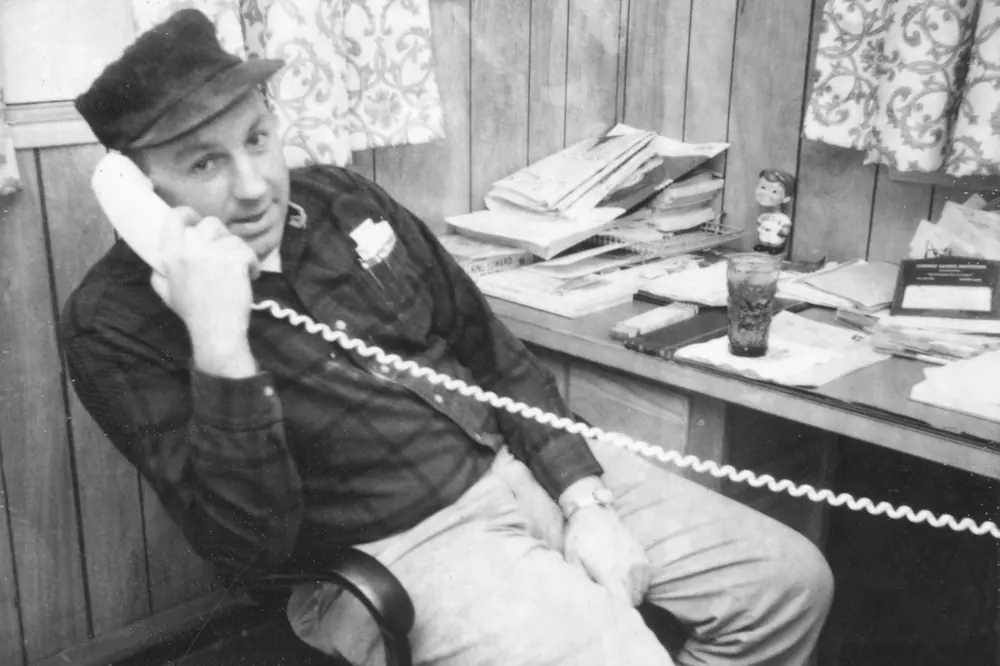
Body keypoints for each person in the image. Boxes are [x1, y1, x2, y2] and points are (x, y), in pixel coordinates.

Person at [63, 9, 833, 666]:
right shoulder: (113, 323)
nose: (255, 184)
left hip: (520, 458)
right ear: (136, 191)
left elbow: (490, 351)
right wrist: (220, 345)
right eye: (204, 162)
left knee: (789, 583)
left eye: (258, 139)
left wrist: (584, 497)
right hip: (404, 546)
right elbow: (247, 549)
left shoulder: (343, 201)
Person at [754, 169, 796, 256]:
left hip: (776, 238)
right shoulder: (764, 215)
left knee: (775, 239)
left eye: (774, 191)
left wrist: (784, 231)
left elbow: (786, 226)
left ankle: (776, 248)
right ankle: (764, 246)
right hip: (765, 236)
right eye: (763, 187)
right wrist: (759, 228)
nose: (765, 193)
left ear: (786, 198)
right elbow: (758, 222)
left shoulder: (783, 218)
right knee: (765, 238)